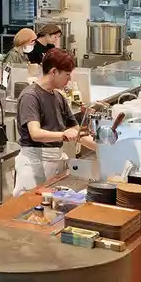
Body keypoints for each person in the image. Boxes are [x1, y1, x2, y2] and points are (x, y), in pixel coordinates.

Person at [13, 48, 95, 195]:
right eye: (67, 75)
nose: (69, 80)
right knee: (31, 205)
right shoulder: (30, 96)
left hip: (55, 162)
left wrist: (103, 150)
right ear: (54, 72)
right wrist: (63, 135)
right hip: (34, 164)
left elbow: (77, 133)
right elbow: (35, 134)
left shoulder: (58, 97)